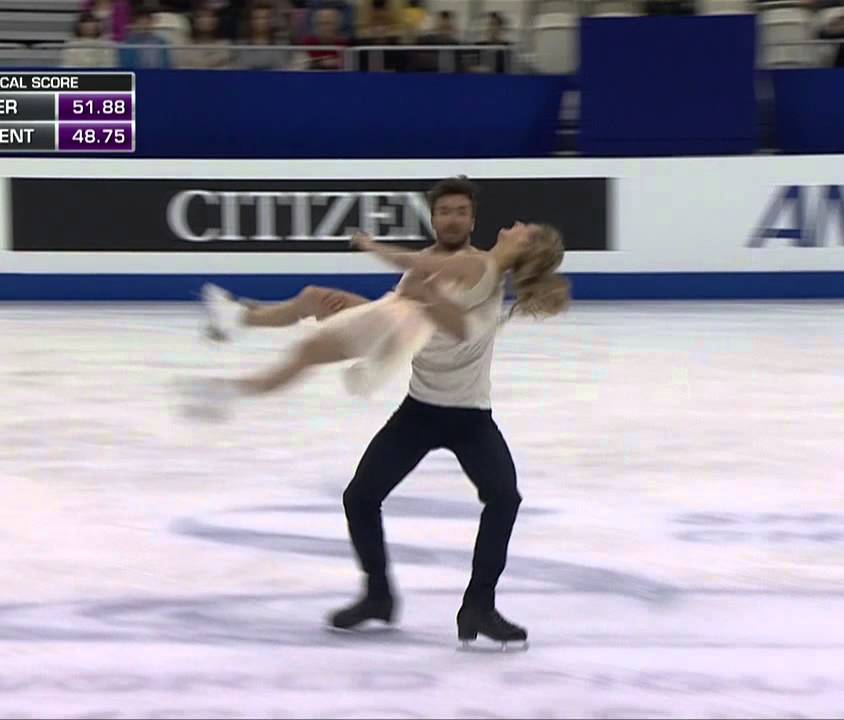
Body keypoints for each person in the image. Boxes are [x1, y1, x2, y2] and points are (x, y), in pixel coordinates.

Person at [199, 177, 571, 648]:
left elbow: (423, 292)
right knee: (361, 496)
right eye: (445, 211)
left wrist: (371, 246)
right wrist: (357, 308)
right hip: (421, 408)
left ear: (483, 225)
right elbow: (407, 318)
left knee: (504, 498)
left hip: (469, 415)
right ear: (436, 218)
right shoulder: (473, 269)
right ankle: (380, 595)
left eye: (522, 228)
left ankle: (479, 604)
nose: (513, 225)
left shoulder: (475, 265)